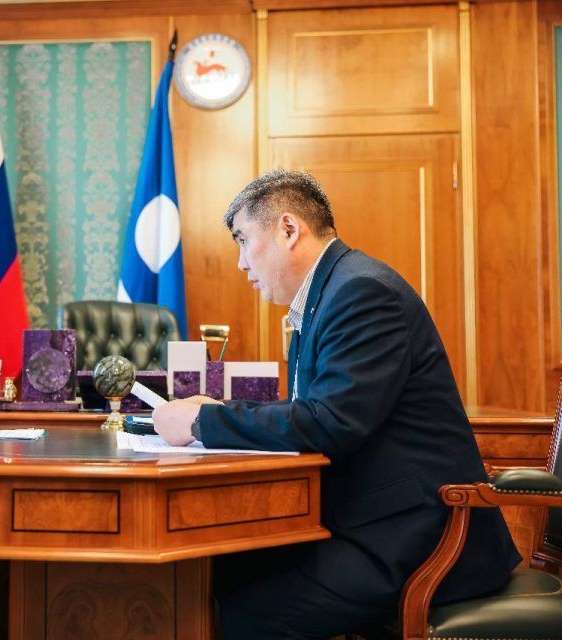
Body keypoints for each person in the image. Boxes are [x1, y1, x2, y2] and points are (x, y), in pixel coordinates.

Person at [153, 170, 520, 638]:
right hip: (369, 520)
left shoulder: (362, 292)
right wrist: (212, 412)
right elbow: (312, 409)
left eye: (244, 241)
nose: (241, 263)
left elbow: (329, 423)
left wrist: (203, 421)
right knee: (216, 571)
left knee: (245, 609)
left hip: (418, 537)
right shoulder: (328, 295)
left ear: (288, 228)